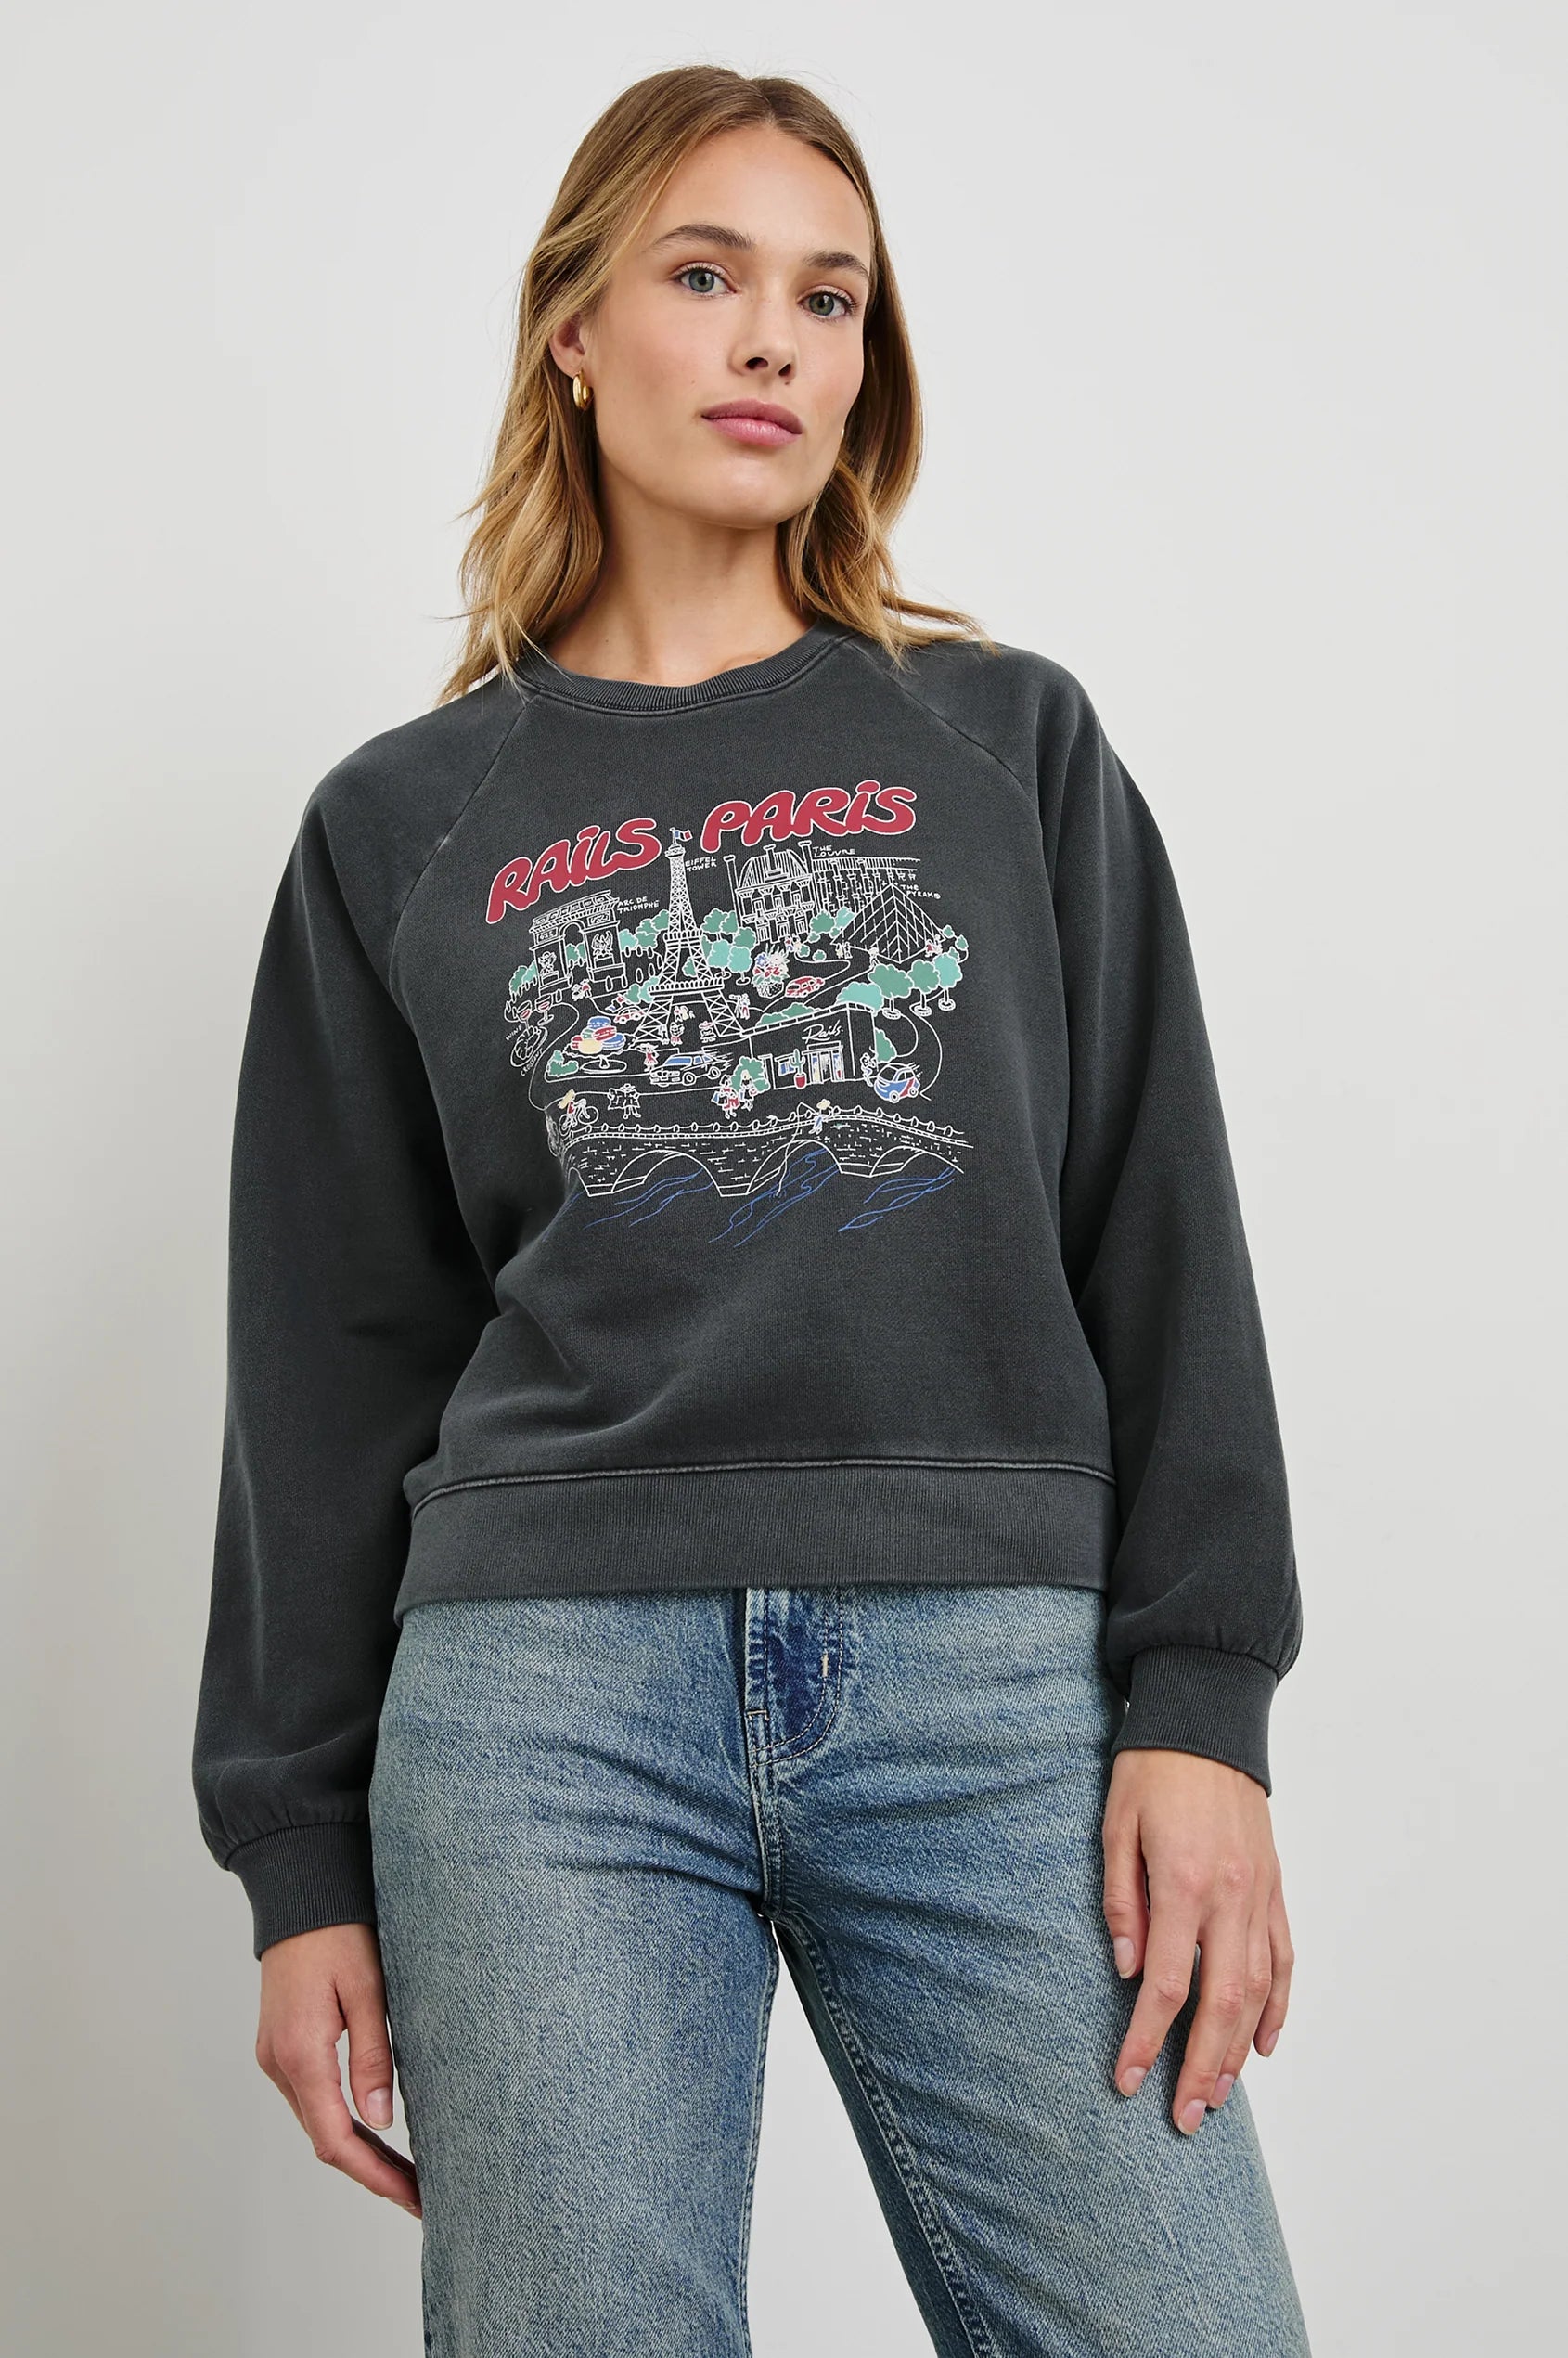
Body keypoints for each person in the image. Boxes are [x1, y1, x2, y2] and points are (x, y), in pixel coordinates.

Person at [191, 62, 1311, 2358]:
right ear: (572, 329)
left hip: (994, 1689)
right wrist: (296, 1859)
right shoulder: (400, 820)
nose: (773, 340)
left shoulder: (1002, 744)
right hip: (539, 1712)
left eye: (829, 296)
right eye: (705, 275)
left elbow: (1159, 1229)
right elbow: (327, 1361)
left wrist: (1203, 1699)